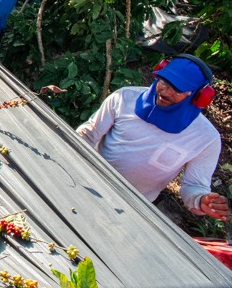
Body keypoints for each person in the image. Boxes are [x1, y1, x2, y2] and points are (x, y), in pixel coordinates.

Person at [77, 55, 229, 221]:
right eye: (164, 81)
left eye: (177, 89)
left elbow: (194, 186)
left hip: (132, 208)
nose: (165, 91)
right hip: (87, 182)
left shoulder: (205, 138)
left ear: (200, 96)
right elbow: (90, 134)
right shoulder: (124, 98)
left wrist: (201, 201)